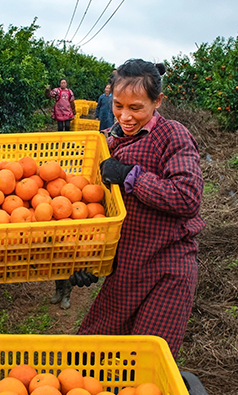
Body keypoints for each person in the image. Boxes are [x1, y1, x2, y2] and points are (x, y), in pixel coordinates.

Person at [74, 59, 205, 356]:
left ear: (157, 101)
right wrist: (87, 260)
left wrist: (133, 177)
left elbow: (187, 197)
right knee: (91, 353)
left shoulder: (172, 135)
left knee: (141, 359)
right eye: (119, 106)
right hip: (127, 268)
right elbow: (96, 208)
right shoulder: (107, 142)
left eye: (136, 108)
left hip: (167, 269)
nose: (126, 117)